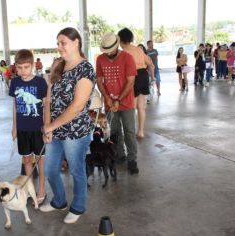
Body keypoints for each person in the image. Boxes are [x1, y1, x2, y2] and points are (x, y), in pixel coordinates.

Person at [40, 27, 96, 224]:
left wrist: (51, 126)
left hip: (76, 132)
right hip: (54, 129)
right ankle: (59, 201)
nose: (59, 47)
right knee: (50, 170)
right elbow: (48, 99)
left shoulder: (86, 69)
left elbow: (78, 106)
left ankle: (78, 206)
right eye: (57, 43)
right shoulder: (58, 65)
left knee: (76, 170)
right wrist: (47, 125)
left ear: (76, 42)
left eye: (63, 42)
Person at [9, 49, 47, 206]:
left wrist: (46, 126)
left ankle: (42, 189)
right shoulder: (15, 82)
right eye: (19, 67)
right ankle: (30, 189)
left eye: (26, 67)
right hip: (23, 128)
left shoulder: (40, 82)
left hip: (37, 128)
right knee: (26, 159)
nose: (22, 71)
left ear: (32, 65)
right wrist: (14, 127)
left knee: (40, 160)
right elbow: (14, 106)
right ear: (15, 67)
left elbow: (46, 106)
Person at [96, 32, 139, 174]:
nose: (108, 54)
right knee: (114, 131)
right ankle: (120, 155)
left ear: (116, 46)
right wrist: (107, 97)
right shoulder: (100, 59)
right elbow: (99, 81)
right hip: (109, 103)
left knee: (129, 131)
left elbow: (130, 81)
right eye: (105, 51)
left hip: (126, 102)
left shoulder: (127, 58)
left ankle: (132, 159)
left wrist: (118, 100)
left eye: (110, 50)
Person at [118, 28, 154, 139]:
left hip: (132, 77)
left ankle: (130, 133)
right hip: (143, 76)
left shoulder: (123, 53)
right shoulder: (139, 50)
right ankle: (141, 132)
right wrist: (152, 78)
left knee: (131, 108)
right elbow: (150, 64)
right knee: (141, 107)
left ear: (120, 40)